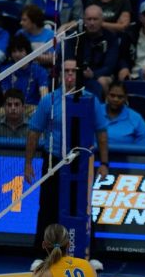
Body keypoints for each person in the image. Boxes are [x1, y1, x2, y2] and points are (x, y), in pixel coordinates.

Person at [24, 59, 110, 262]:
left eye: (74, 71)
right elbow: (34, 132)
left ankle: (90, 254)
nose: (70, 75)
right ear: (61, 74)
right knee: (47, 207)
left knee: (85, 207)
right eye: (66, 71)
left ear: (79, 75)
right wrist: (28, 163)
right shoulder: (50, 101)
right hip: (54, 161)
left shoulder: (91, 100)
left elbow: (102, 133)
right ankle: (41, 254)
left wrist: (104, 163)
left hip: (82, 163)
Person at [103, 80, 145, 146]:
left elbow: (144, 148)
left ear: (125, 98)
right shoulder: (95, 112)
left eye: (120, 97)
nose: (115, 99)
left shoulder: (136, 118)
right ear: (107, 95)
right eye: (112, 95)